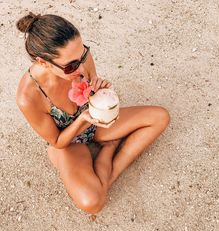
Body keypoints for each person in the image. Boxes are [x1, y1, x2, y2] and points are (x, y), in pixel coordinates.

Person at [15, 12, 170, 214]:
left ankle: (105, 175)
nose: (80, 66)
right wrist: (82, 120)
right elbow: (57, 141)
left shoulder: (80, 59)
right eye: (71, 65)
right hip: (68, 142)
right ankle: (107, 149)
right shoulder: (29, 96)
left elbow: (93, 92)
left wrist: (102, 92)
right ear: (43, 62)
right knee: (92, 203)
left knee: (160, 117)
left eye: (83, 55)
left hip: (95, 122)